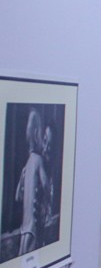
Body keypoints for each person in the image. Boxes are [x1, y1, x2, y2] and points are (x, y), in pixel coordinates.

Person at [15, 109, 50, 256]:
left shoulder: (27, 165)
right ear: (37, 134)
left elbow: (17, 197)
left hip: (24, 229)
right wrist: (46, 204)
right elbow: (46, 186)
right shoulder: (39, 160)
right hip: (34, 227)